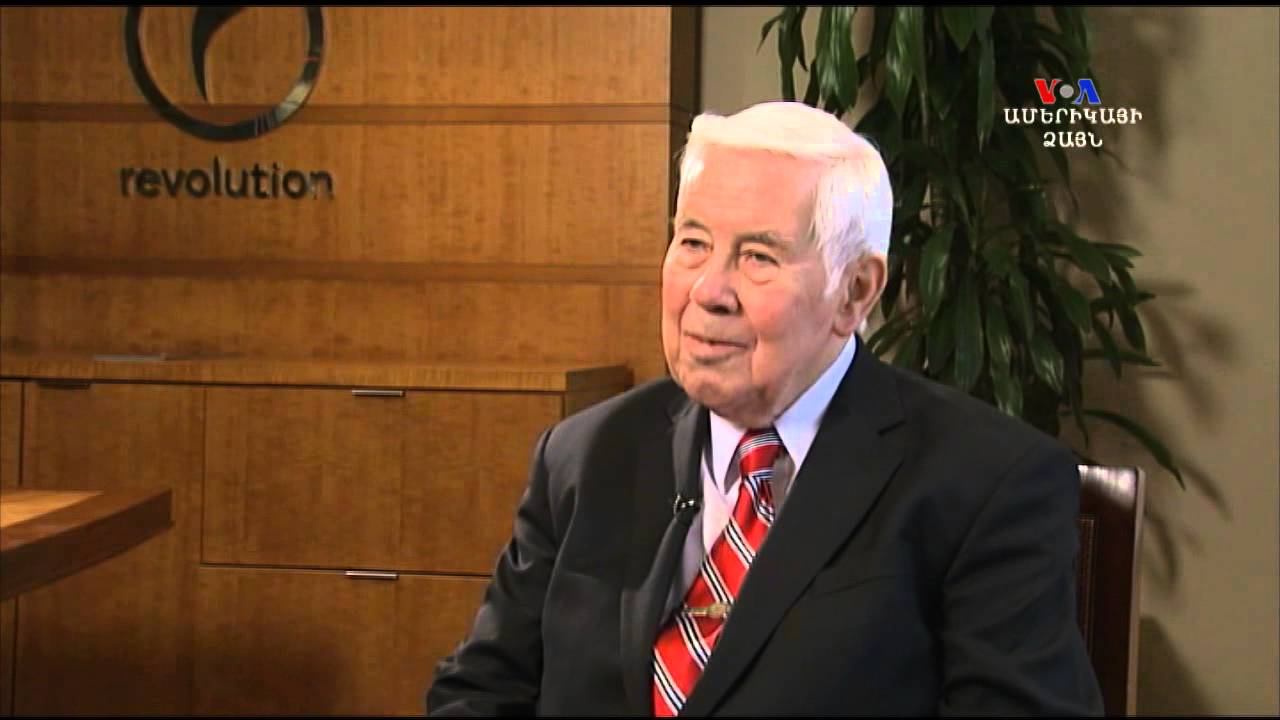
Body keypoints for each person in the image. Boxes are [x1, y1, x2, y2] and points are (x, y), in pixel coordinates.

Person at [426, 101, 1103, 716]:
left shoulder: (985, 484)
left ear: (855, 292)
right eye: (693, 243)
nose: (707, 291)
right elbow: (481, 692)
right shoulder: (583, 456)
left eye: (757, 256)